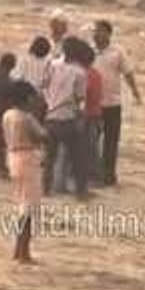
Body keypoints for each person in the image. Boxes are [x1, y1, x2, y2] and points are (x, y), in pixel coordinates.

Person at [3, 81, 48, 265]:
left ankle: (18, 251)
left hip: (13, 157)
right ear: (27, 98)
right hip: (28, 158)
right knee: (28, 208)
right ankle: (24, 252)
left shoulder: (8, 114)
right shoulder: (27, 117)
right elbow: (42, 135)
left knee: (22, 203)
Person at [93, 20, 142, 187]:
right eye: (95, 31)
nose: (96, 34)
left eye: (99, 31)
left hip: (113, 104)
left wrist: (135, 92)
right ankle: (94, 175)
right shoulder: (89, 51)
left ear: (108, 33)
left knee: (111, 142)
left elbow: (128, 72)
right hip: (93, 105)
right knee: (92, 141)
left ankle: (109, 176)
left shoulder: (117, 51)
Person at [43, 36, 90, 200]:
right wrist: (81, 118)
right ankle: (81, 192)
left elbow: (45, 86)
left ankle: (45, 189)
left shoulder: (53, 65)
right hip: (68, 118)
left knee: (49, 157)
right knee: (78, 157)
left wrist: (50, 102)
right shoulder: (80, 72)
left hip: (50, 116)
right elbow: (80, 99)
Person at [78, 42, 104, 186]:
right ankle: (95, 177)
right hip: (95, 114)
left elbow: (83, 96)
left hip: (88, 116)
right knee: (92, 148)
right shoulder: (96, 74)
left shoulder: (85, 75)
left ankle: (93, 178)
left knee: (88, 149)